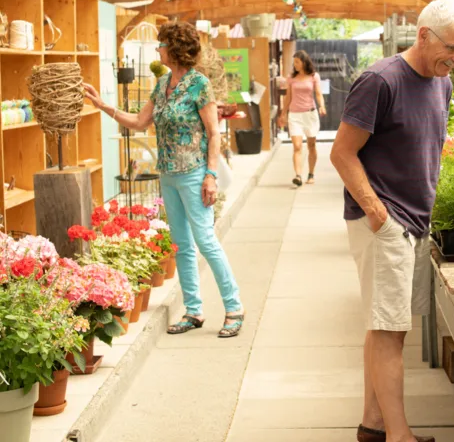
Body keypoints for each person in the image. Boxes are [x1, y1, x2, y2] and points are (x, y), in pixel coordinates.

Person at [330, 0, 454, 442]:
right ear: (423, 36)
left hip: (413, 223)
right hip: (386, 223)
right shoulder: (380, 80)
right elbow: (342, 153)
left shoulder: (442, 83)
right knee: (390, 332)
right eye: (451, 48)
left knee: (385, 328)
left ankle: (374, 426)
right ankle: (399, 435)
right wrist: (379, 216)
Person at [83, 22, 245, 338]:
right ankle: (194, 311)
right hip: (168, 174)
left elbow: (214, 133)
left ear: (174, 49)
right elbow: (141, 122)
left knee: (206, 242)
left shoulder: (200, 85)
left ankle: (234, 307)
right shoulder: (161, 85)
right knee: (182, 245)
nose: (157, 50)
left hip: (195, 173)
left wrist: (211, 176)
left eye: (161, 45)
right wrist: (103, 106)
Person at [278, 50, 327, 187]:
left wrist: (322, 106)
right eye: (294, 63)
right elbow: (288, 97)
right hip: (294, 115)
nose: (295, 65)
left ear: (304, 62)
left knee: (311, 145)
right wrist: (283, 113)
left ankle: (311, 174)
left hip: (310, 114)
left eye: (297, 62)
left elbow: (318, 94)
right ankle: (298, 175)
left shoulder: (313, 76)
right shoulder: (291, 78)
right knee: (297, 146)